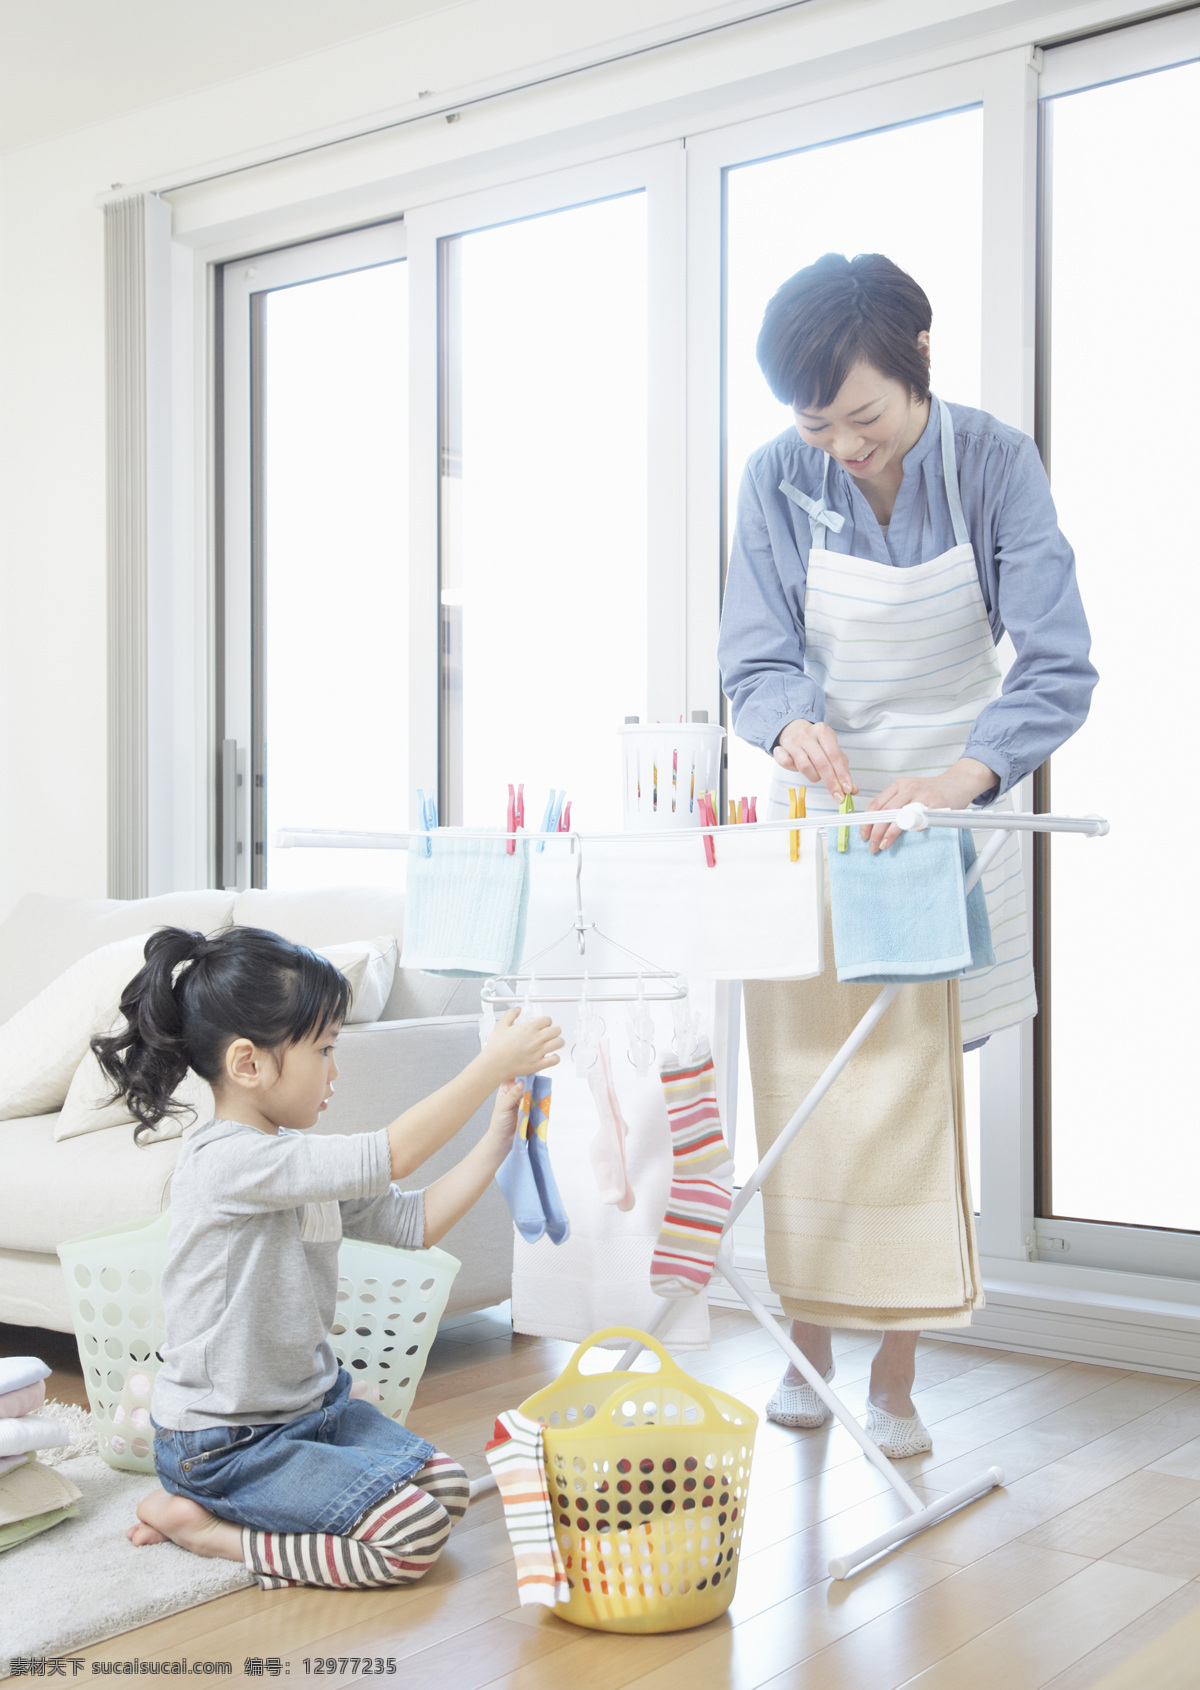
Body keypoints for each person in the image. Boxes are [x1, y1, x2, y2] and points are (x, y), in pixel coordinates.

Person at [719, 252, 1096, 1455]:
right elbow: (754, 654)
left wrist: (962, 778)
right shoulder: (778, 477)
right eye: (817, 422)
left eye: (864, 417)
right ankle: (805, 1339)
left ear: (917, 368)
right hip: (822, 816)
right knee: (809, 1084)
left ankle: (895, 1376)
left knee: (913, 1086)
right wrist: (788, 718)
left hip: (952, 809)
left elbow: (1056, 663)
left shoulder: (995, 462)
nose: (843, 445)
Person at [93, 924, 562, 1590]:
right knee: (413, 1535)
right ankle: (210, 1531)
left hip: (313, 1414)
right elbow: (394, 1154)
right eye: (324, 1050)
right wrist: (487, 1066)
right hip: (229, 1445)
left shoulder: (294, 1162)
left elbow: (413, 1222)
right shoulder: (224, 1162)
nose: (334, 1071)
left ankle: (237, 1511)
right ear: (248, 1064)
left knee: (448, 1489)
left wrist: (497, 1137)